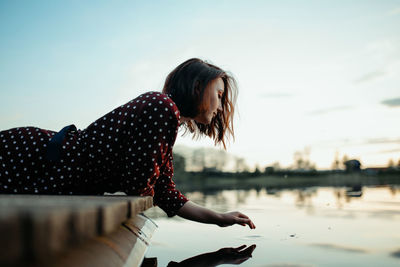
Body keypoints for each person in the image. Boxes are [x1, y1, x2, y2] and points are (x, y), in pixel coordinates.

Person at [0, 58, 255, 229]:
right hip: (33, 156)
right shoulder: (162, 108)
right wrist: (152, 186)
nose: (221, 107)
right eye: (219, 95)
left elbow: (164, 192)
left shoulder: (166, 116)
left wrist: (220, 218)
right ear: (197, 87)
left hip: (47, 164)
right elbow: (139, 186)